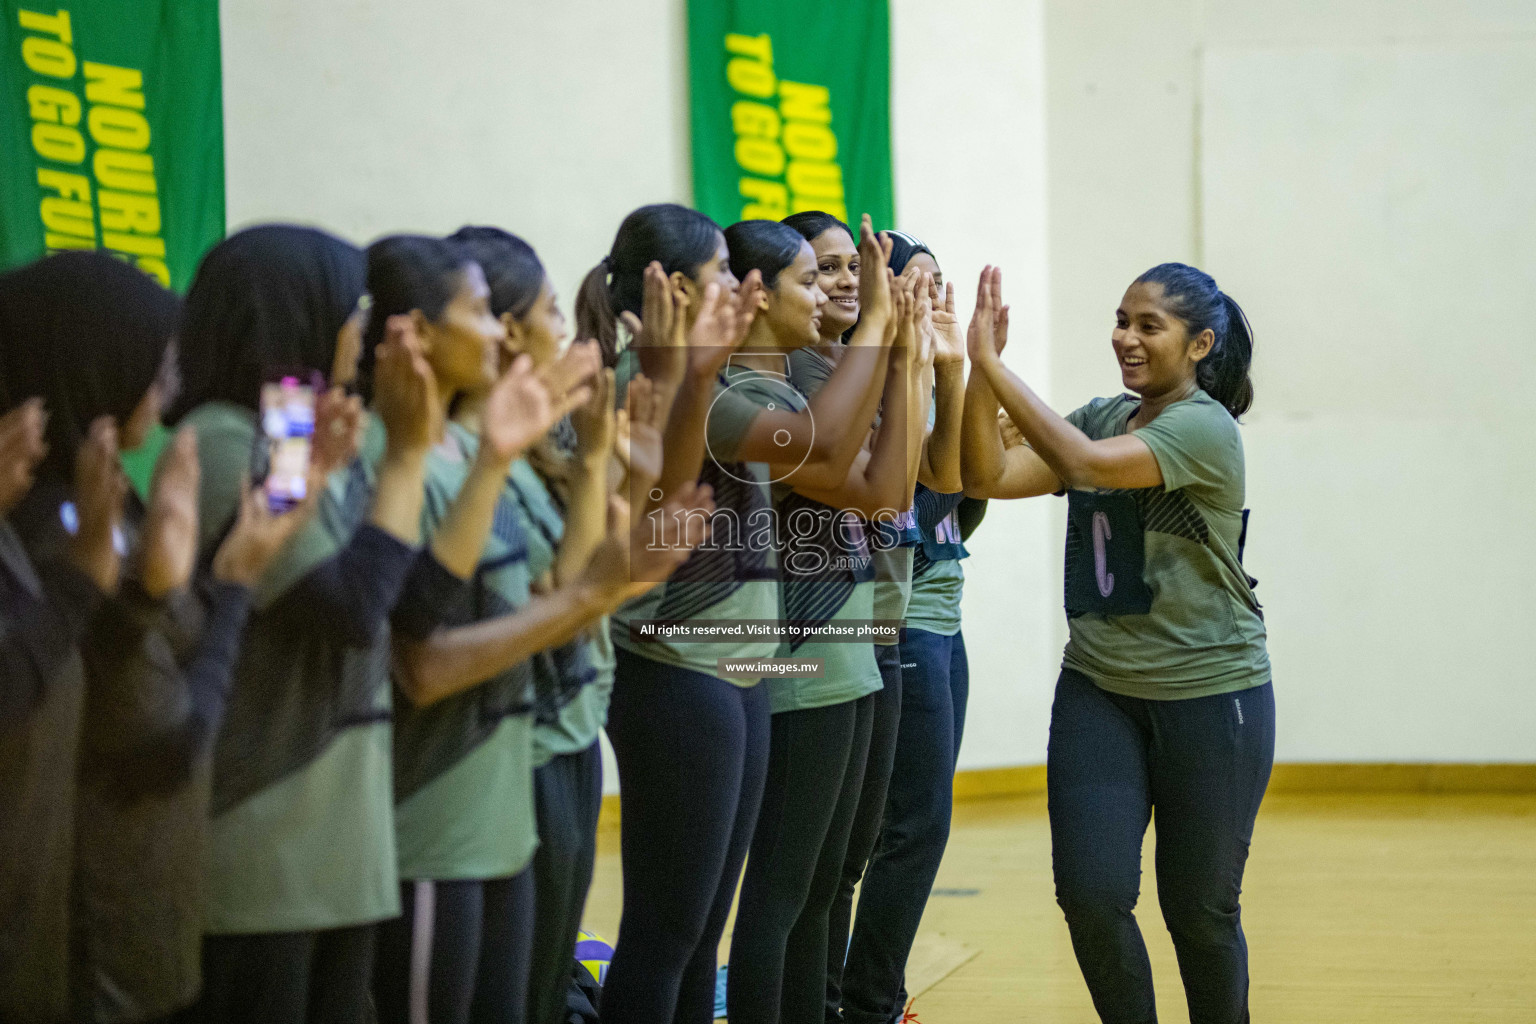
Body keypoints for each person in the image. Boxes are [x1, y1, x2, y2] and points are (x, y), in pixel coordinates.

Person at [961, 263, 1273, 1023]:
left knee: (1200, 914)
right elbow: (985, 472)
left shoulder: (1203, 428)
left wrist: (997, 369)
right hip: (1099, 691)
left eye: (1147, 326)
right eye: (1120, 320)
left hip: (1212, 697)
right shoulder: (1103, 416)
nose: (1124, 338)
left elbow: (1081, 465)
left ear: (1200, 344)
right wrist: (977, 374)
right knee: (1092, 895)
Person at [170, 225, 448, 1023]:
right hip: (267, 838)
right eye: (352, 307)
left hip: (340, 835)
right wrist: (405, 453)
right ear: (298, 310)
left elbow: (392, 589)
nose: (362, 327)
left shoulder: (292, 424)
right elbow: (352, 609)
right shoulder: (224, 439)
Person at [719, 217, 924, 1024]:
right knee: (779, 897)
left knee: (819, 888)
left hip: (845, 656)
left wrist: (904, 357)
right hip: (796, 663)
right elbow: (841, 468)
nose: (832, 289)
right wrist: (877, 330)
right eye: (814, 275)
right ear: (759, 295)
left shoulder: (806, 376)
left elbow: (892, 493)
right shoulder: (746, 394)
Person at [449, 226, 616, 1024]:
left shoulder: (525, 450)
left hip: (571, 728)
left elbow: (572, 583)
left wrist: (601, 458)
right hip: (517, 752)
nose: (565, 328)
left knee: (548, 983)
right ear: (512, 328)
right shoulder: (455, 458)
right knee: (512, 995)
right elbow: (560, 598)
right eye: (552, 310)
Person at [829, 232, 970, 1024]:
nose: (930, 302)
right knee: (910, 828)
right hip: (896, 619)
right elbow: (908, 498)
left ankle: (863, 993)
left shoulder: (926, 372)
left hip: (944, 618)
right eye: (914, 288)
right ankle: (866, 1000)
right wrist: (919, 370)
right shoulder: (866, 382)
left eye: (938, 286)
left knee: (911, 824)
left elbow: (955, 487)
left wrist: (955, 372)